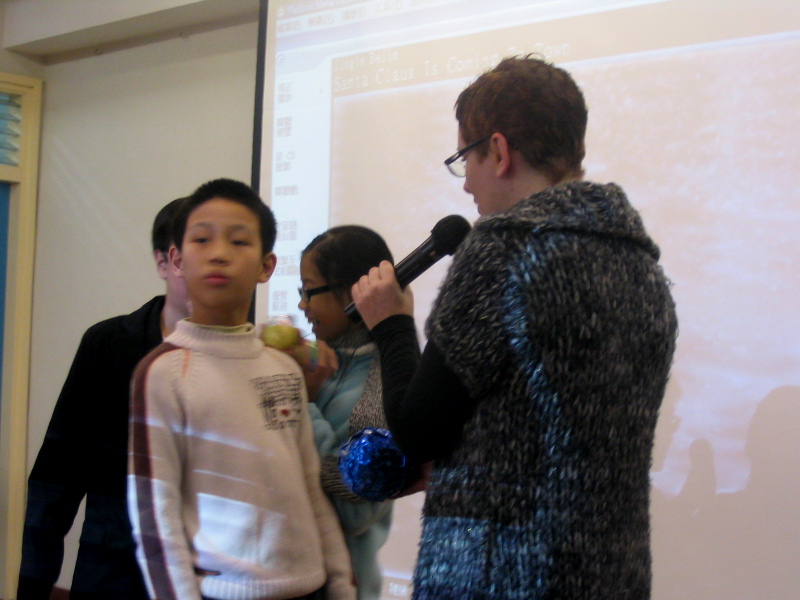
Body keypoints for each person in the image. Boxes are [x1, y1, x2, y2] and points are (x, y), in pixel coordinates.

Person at [351, 55, 678, 600]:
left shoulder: (504, 248)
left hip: (501, 576)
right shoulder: (641, 263)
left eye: (465, 159)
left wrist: (390, 324)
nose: (465, 186)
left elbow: (418, 431)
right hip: (611, 573)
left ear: (499, 151)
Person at [127, 178, 355, 600]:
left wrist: (341, 584)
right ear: (177, 259)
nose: (218, 253)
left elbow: (310, 487)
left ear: (266, 266)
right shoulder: (162, 372)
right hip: (222, 591)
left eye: (238, 241)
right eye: (202, 239)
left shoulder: (282, 366)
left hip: (310, 586)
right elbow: (155, 513)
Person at [17, 198, 191, 600]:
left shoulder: (257, 357)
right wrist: (30, 585)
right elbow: (57, 473)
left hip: (211, 572)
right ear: (165, 260)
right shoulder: (109, 343)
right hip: (113, 568)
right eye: (196, 246)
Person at [298, 226, 396, 600]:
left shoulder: (383, 381)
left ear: (352, 291)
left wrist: (304, 403)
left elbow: (355, 509)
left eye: (309, 291)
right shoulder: (318, 359)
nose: (302, 306)